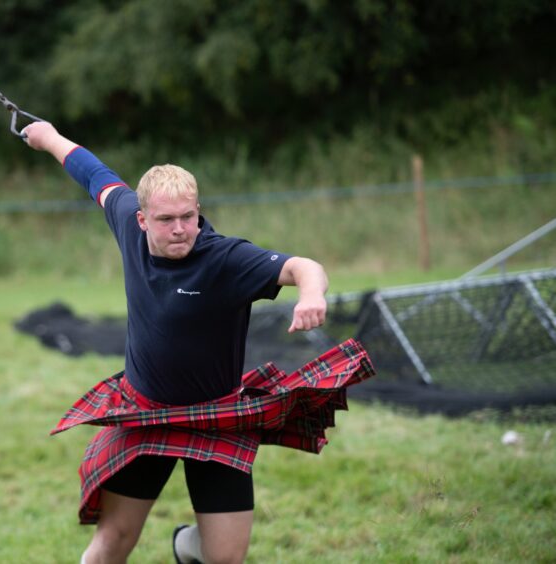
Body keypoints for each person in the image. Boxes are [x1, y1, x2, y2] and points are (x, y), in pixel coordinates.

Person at [24, 121, 374, 564]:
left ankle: (185, 545)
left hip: (217, 416)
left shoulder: (226, 259)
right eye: (166, 220)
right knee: (112, 544)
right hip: (144, 413)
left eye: (188, 217)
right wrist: (48, 137)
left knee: (224, 559)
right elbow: (93, 173)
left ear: (198, 210)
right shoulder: (126, 221)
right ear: (141, 218)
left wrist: (311, 294)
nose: (180, 229)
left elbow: (303, 266)